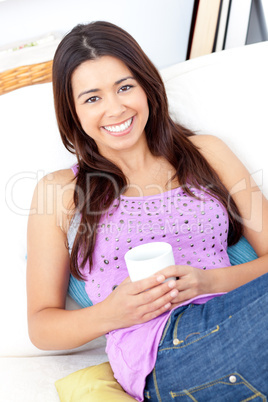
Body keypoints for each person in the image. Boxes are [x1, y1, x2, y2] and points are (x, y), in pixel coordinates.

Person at [27, 21, 268, 401]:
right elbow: (41, 325)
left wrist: (211, 282)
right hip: (162, 357)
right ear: (71, 112)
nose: (115, 108)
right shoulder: (60, 192)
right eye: (92, 98)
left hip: (238, 319)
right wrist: (112, 312)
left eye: (125, 87)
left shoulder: (207, 153)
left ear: (146, 86)